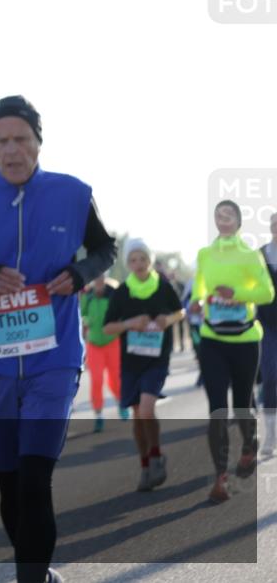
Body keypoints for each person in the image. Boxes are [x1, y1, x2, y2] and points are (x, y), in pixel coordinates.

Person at [0, 96, 116, 583]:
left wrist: (80, 271)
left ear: (38, 142)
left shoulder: (73, 193)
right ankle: (35, 566)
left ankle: (32, 577)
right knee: (10, 484)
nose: (11, 151)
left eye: (21, 140)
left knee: (35, 478)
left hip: (54, 359)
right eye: (1, 141)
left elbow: (104, 248)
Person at [190, 201, 275, 502]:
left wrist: (235, 295)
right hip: (213, 338)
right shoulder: (205, 254)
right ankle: (220, 478)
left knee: (242, 404)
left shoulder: (251, 255)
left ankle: (249, 448)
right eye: (218, 216)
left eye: (229, 216)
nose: (223, 221)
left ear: (238, 222)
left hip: (245, 339)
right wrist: (198, 301)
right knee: (217, 409)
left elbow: (266, 292)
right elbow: (200, 286)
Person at [102, 239, 184, 491]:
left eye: (142, 259)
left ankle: (157, 456)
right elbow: (107, 327)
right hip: (131, 361)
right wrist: (129, 324)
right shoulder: (123, 291)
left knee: (147, 408)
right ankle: (146, 465)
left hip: (157, 358)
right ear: (127, 263)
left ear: (150, 260)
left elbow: (179, 312)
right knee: (138, 415)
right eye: (133, 260)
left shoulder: (163, 286)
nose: (138, 264)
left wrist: (166, 319)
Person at [79, 273, 126, 432]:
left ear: (105, 277)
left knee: (115, 379)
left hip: (113, 342)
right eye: (96, 276)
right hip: (94, 344)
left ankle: (122, 402)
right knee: (97, 380)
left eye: (101, 276)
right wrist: (86, 321)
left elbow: (121, 313)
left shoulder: (113, 292)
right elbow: (82, 313)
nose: (98, 279)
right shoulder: (88, 294)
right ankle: (98, 415)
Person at [258, 212, 277, 457]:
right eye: (274, 224)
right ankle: (271, 435)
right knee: (270, 379)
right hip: (268, 325)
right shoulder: (260, 255)